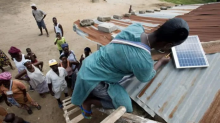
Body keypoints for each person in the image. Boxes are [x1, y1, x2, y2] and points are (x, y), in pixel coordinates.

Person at [71, 18, 189, 119]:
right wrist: (161, 61)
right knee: (126, 105)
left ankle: (90, 96)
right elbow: (148, 76)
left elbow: (137, 48)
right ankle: (88, 101)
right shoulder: (143, 61)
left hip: (90, 63)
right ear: (168, 45)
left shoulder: (136, 27)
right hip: (94, 79)